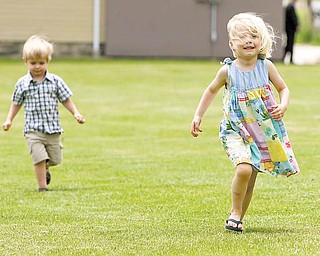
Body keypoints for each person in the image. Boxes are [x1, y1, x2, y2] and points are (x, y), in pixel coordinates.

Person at [190, 13, 300, 232]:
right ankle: (235, 211)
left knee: (251, 177)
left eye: (253, 36)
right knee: (243, 170)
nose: (248, 41)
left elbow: (283, 88)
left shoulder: (266, 66)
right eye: (241, 37)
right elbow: (211, 90)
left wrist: (283, 104)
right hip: (236, 130)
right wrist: (198, 115)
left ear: (261, 41)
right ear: (232, 44)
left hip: (261, 131)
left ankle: (238, 219)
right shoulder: (227, 71)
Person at [2, 35, 86, 192]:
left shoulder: (55, 81)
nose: (37, 66)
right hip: (33, 130)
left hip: (53, 128)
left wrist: (76, 113)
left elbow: (65, 99)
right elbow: (16, 103)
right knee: (39, 158)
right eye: (33, 63)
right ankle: (42, 187)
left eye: (42, 62)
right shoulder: (23, 83)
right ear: (25, 61)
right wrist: (9, 120)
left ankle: (46, 168)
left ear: (48, 61)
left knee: (55, 159)